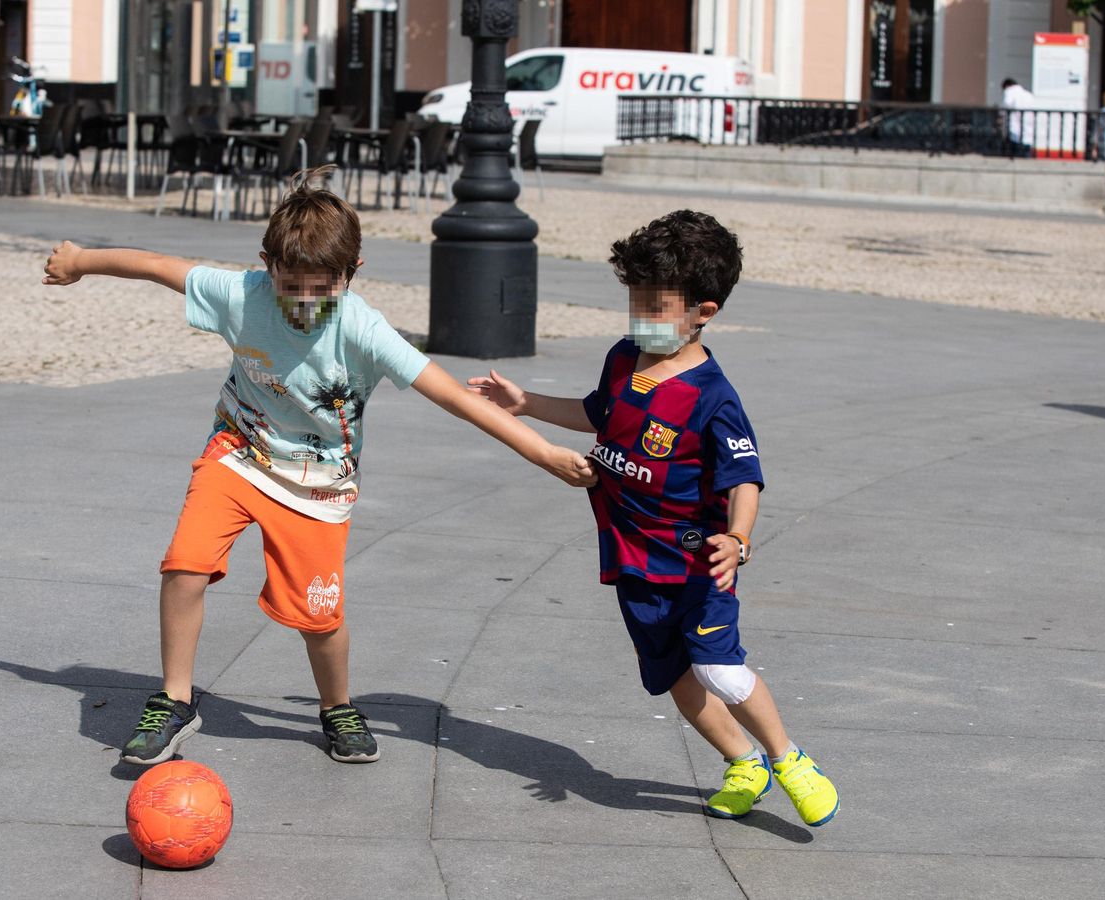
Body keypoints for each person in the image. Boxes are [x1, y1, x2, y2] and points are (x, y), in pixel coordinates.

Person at [41, 166, 595, 766]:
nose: (305, 302)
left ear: (352, 275)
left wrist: (543, 452)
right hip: (238, 452)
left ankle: (336, 706)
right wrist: (79, 259)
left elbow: (457, 399)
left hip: (318, 487)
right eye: (290, 285)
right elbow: (155, 265)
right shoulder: (241, 293)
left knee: (319, 619)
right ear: (267, 264)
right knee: (185, 565)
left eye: (322, 288)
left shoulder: (364, 328)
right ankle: (175, 698)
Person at [468, 211, 840, 827]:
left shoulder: (712, 396)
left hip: (698, 562)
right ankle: (741, 761)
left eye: (657, 306)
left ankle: (789, 757)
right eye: (635, 302)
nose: (641, 319)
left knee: (719, 665)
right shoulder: (623, 357)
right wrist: (527, 403)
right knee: (670, 673)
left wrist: (739, 538)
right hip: (633, 557)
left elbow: (744, 477)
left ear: (704, 311)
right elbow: (599, 413)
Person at [1000, 78, 1036, 158]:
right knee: (1026, 151)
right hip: (1028, 129)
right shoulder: (1028, 94)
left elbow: (1006, 105)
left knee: (1014, 152)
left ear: (1007, 86)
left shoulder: (1009, 91)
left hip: (1014, 127)